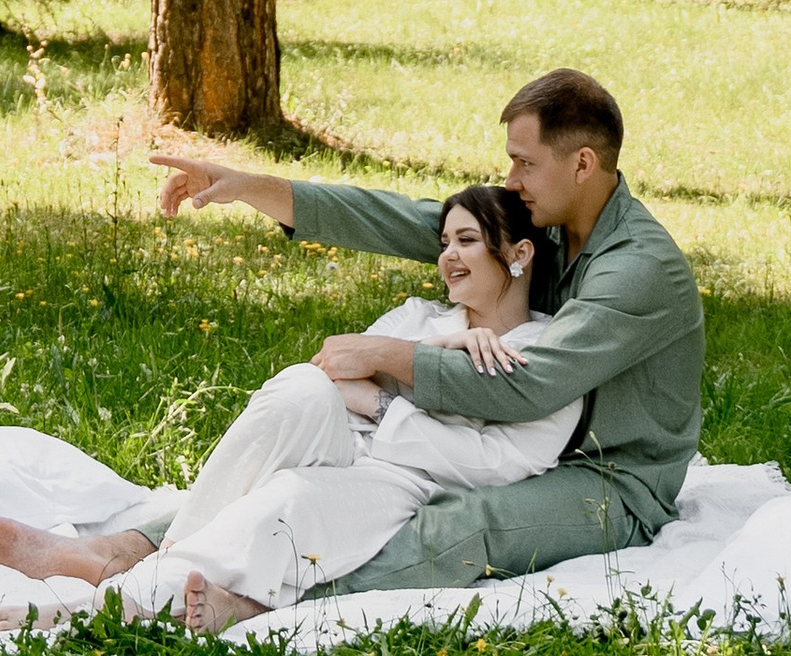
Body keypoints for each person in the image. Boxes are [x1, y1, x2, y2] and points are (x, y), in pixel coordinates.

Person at [147, 65, 703, 601]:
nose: (510, 180)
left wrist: (386, 355)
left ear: (582, 164)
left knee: (464, 521)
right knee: (291, 470)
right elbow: (399, 219)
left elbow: (529, 386)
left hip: (608, 478)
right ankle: (145, 550)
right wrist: (250, 186)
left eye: (524, 163)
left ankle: (261, 600)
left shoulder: (637, 268)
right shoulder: (544, 227)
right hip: (521, 445)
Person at [0, 184, 579, 631]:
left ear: (519, 253)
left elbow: (498, 464)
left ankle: (113, 603)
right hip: (338, 433)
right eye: (444, 241)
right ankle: (149, 567)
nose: (448, 256)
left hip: (403, 477)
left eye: (467, 241)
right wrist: (438, 349)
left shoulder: (546, 353)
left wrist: (379, 401)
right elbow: (328, 372)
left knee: (286, 498)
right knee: (297, 388)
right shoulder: (422, 320)